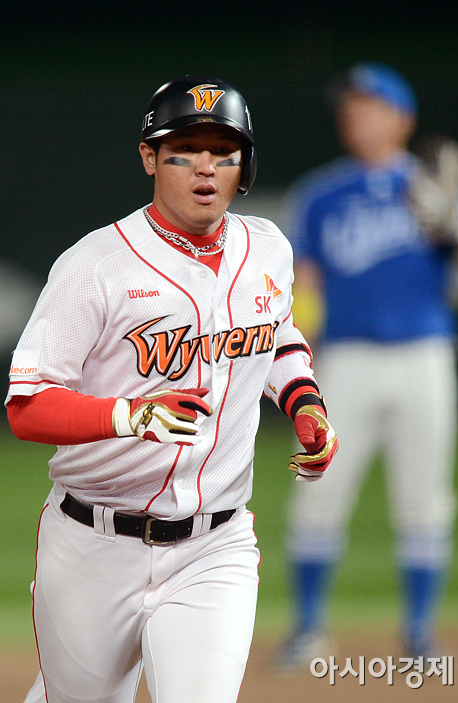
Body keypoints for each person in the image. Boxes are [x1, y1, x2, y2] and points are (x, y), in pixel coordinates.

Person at [6, 75, 338, 703]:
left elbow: (277, 335)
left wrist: (305, 404)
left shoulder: (267, 248)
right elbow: (27, 406)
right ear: (149, 158)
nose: (206, 168)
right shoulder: (95, 265)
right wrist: (129, 416)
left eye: (224, 152)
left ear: (244, 166)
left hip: (215, 546)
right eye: (184, 151)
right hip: (91, 544)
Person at [279, 62, 458, 667]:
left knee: (424, 499)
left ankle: (420, 635)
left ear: (402, 118)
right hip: (345, 359)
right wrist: (297, 358)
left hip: (425, 354)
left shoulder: (432, 186)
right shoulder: (321, 194)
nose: (355, 116)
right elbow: (306, 284)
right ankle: (306, 629)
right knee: (317, 489)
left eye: (370, 106)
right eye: (349, 107)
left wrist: (454, 217)